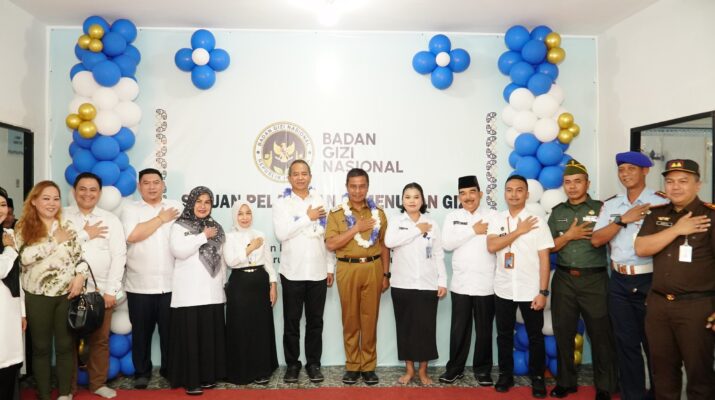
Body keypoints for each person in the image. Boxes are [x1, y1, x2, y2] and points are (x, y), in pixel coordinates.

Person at [634, 159, 715, 400]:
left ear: (698, 185)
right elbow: (641, 248)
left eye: (683, 181)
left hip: (697, 308)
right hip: (659, 307)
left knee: (700, 376)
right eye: (670, 181)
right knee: (663, 375)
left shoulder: (710, 216)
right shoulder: (656, 214)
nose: (675, 187)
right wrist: (677, 229)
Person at [591, 151, 668, 400]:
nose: (625, 174)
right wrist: (623, 220)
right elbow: (596, 239)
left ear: (645, 171)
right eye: (621, 169)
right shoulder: (612, 205)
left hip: (650, 280)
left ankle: (659, 394)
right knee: (626, 343)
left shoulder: (661, 202)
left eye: (631, 169)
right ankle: (633, 395)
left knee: (654, 343)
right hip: (619, 281)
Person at [547, 159, 617, 400]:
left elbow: (612, 240)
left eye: (577, 181)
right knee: (563, 333)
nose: (572, 186)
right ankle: (566, 382)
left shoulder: (601, 209)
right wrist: (569, 235)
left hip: (594, 280)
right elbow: (548, 247)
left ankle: (605, 386)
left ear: (587, 183)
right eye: (568, 182)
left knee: (600, 336)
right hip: (564, 279)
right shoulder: (558, 212)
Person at [16, 181, 87, 400]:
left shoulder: (67, 224)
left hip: (67, 294)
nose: (52, 203)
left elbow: (80, 257)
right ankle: (44, 394)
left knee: (65, 346)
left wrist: (80, 276)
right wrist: (54, 240)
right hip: (37, 296)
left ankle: (65, 393)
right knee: (41, 348)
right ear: (34, 201)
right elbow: (25, 258)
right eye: (46, 198)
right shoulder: (23, 227)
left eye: (56, 198)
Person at [486, 175, 552, 398]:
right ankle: (505, 375)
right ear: (504, 193)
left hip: (530, 289)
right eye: (509, 190)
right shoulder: (497, 219)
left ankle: (538, 378)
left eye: (519, 190)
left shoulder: (537, 221)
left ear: (527, 194)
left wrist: (543, 292)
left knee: (535, 336)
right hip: (503, 288)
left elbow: (544, 259)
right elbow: (492, 246)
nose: (514, 194)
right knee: (503, 335)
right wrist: (518, 231)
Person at [64, 173, 127, 398]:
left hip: (100, 291)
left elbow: (119, 256)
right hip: (66, 291)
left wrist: (111, 291)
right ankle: (67, 388)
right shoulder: (62, 216)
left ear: (99, 193)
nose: (87, 194)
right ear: (74, 191)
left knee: (100, 340)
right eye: (82, 189)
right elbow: (57, 247)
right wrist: (85, 235)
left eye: (93, 189)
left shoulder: (110, 220)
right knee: (67, 341)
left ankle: (98, 383)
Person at [272, 160, 334, 383]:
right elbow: (281, 233)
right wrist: (308, 217)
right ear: (289, 178)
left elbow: (328, 237)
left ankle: (313, 364)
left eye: (304, 173)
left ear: (310, 176)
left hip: (318, 270)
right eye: (296, 174)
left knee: (315, 322)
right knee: (291, 322)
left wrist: (330, 266)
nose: (300, 177)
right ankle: (292, 365)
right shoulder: (282, 203)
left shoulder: (320, 201)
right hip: (292, 272)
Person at [325, 168, 389, 385]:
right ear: (346, 187)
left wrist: (386, 274)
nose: (357, 190)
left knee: (370, 319)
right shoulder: (336, 213)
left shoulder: (378, 213)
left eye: (362, 186)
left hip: (373, 267)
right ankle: (353, 365)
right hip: (348, 268)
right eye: (353, 186)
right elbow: (331, 244)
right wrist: (356, 229)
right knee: (350, 319)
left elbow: (384, 245)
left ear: (367, 187)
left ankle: (368, 366)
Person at [121, 168, 181, 388]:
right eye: (146, 183)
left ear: (163, 185)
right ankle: (142, 372)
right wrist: (160, 219)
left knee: (170, 334)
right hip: (139, 285)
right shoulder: (131, 209)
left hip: (171, 284)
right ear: (139, 186)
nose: (152, 187)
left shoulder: (176, 207)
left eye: (156, 182)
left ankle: (170, 370)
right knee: (141, 334)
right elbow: (132, 235)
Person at [384, 182, 447, 385]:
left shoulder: (432, 223)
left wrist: (442, 281)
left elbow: (438, 254)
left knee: (426, 330)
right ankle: (409, 370)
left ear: (422, 200)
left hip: (428, 284)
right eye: (408, 197)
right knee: (405, 329)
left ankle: (423, 372)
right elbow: (389, 242)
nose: (412, 200)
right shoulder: (396, 221)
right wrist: (416, 230)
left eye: (416, 196)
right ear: (402, 201)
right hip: (402, 284)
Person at [167, 186, 227, 395]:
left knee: (208, 337)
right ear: (191, 202)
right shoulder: (179, 225)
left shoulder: (216, 227)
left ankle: (208, 376)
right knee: (191, 339)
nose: (203, 206)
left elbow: (221, 259)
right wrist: (203, 236)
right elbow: (179, 251)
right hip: (189, 293)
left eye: (207, 202)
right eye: (199, 201)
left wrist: (223, 285)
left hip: (212, 291)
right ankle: (191, 380)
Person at [439, 175, 498, 386]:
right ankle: (455, 369)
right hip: (461, 284)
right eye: (463, 193)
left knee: (484, 330)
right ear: (459, 197)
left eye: (472, 192)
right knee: (459, 330)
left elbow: (498, 244)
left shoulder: (493, 216)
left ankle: (483, 370)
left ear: (480, 194)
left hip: (486, 284)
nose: (468, 197)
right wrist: (473, 230)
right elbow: (447, 244)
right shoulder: (452, 216)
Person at [224, 201, 278, 385]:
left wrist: (273, 284)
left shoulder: (260, 234)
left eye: (248, 213)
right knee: (240, 327)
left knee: (260, 327)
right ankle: (241, 370)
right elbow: (231, 261)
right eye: (240, 213)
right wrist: (251, 248)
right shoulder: (229, 236)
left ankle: (262, 370)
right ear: (235, 216)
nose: (244, 217)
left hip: (260, 282)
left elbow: (268, 262)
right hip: (239, 283)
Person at [0, 187, 25, 400]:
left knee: (9, 364)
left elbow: (18, 275)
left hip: (10, 309)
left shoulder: (8, 234)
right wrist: (9, 250)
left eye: (2, 205)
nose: (1, 209)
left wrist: (22, 312)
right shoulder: (9, 241)